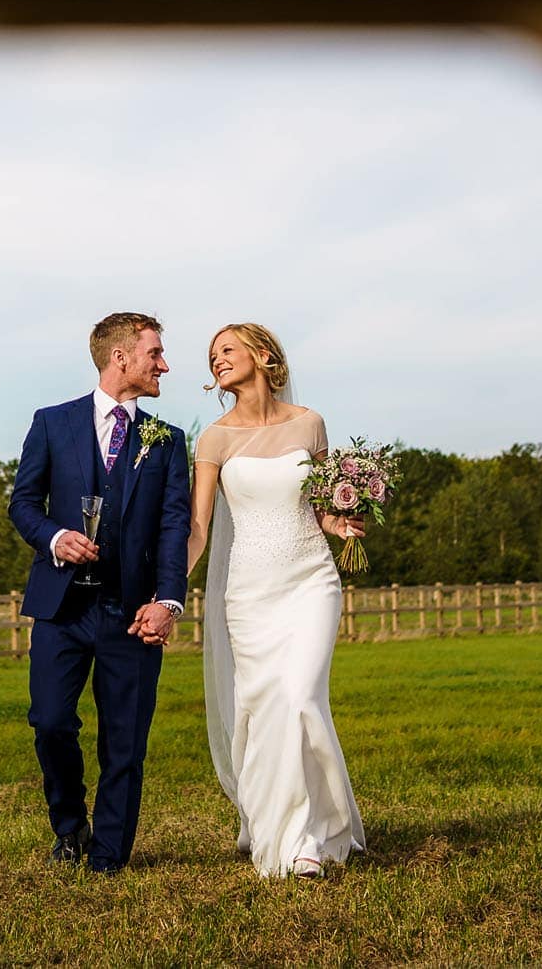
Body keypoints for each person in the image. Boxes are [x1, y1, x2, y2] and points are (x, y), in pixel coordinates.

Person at [7, 312, 191, 874]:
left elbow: (173, 526)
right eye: (155, 353)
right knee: (51, 721)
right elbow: (22, 505)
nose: (164, 364)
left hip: (131, 612)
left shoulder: (166, 440)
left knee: (125, 742)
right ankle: (70, 828)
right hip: (61, 609)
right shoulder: (51, 423)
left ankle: (109, 855)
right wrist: (55, 537)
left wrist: (168, 600)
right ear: (121, 358)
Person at [187, 322, 366, 878]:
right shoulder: (214, 439)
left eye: (227, 350)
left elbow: (318, 508)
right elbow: (198, 529)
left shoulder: (310, 425)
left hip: (311, 579)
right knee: (264, 709)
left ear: (263, 356)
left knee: (302, 697)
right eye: (212, 355)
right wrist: (165, 590)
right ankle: (288, 831)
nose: (217, 360)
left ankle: (314, 834)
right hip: (249, 591)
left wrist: (343, 523)